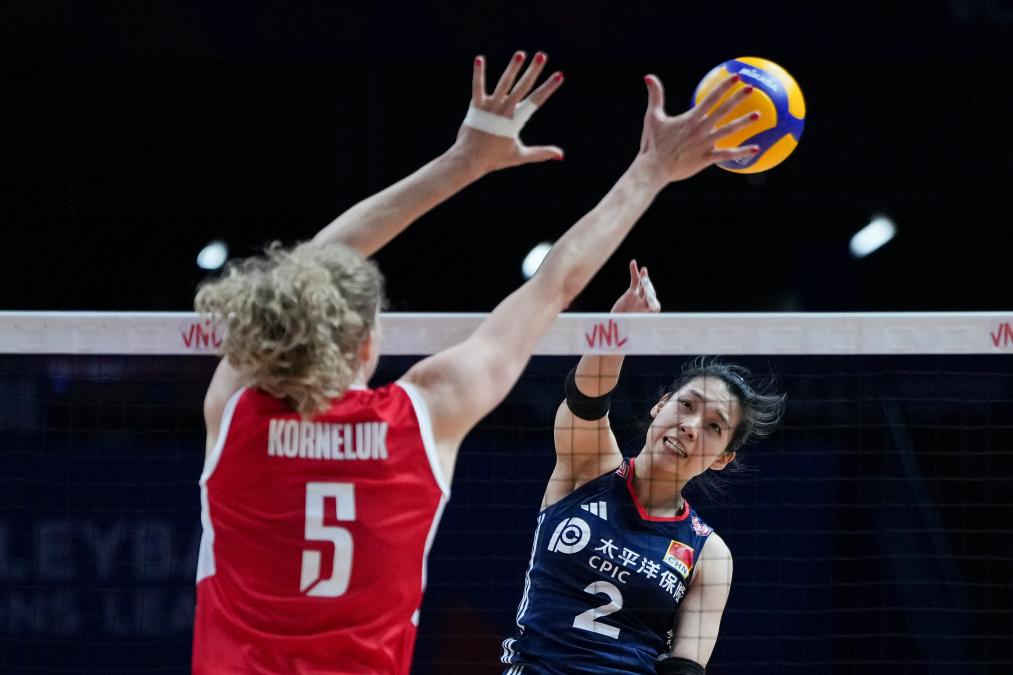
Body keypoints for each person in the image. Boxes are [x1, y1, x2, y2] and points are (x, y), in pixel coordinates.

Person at [191, 47, 762, 674]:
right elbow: (556, 285)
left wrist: (461, 161)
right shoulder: (422, 417)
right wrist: (651, 170)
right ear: (368, 348)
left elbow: (306, 274)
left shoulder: (236, 410)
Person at [501, 262, 786, 675]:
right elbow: (586, 397)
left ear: (723, 458)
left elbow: (685, 666)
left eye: (713, 426)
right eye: (686, 405)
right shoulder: (590, 466)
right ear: (660, 405)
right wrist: (618, 325)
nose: (690, 426)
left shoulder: (709, 554)